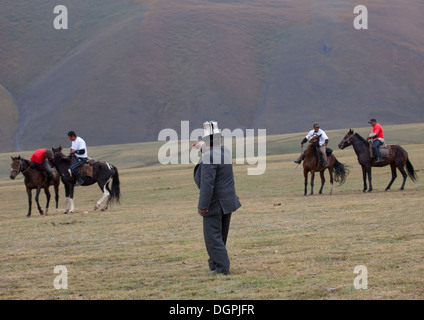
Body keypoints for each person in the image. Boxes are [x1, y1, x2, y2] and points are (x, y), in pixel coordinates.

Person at [193, 121, 241, 275]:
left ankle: (222, 268)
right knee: (221, 236)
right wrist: (203, 146)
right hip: (228, 202)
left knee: (212, 239)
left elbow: (207, 185)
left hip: (214, 203)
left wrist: (203, 205)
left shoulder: (208, 157)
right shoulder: (225, 151)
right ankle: (215, 264)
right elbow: (212, 151)